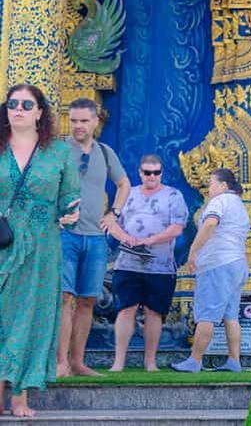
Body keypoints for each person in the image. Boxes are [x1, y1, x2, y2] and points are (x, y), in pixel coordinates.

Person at [0, 84, 80, 417]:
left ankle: (19, 396)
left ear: (39, 112)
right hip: (3, 243)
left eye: (25, 104)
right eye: (12, 104)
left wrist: (71, 212)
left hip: (42, 247)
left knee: (30, 318)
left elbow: (69, 194)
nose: (18, 109)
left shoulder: (58, 152)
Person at [57, 98, 131, 378]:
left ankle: (78, 362)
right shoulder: (58, 150)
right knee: (64, 297)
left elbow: (124, 184)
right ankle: (61, 363)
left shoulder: (105, 152)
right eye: (73, 120)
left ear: (95, 121)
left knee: (88, 300)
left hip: (96, 237)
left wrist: (114, 213)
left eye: (83, 121)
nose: (78, 126)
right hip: (65, 235)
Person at [104, 154, 188, 372]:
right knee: (125, 309)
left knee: (154, 312)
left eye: (156, 172)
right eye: (148, 172)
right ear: (140, 173)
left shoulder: (173, 195)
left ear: (161, 173)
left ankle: (150, 362)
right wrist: (126, 238)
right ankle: (118, 362)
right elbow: (111, 221)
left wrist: (150, 240)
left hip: (160, 265)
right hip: (127, 263)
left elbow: (177, 227)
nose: (152, 176)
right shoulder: (127, 194)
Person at [171, 168, 250, 373]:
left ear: (223, 185)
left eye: (211, 183)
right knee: (231, 315)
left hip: (217, 264)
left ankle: (195, 360)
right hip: (238, 263)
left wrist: (193, 251)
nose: (209, 187)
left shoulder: (219, 201)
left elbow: (210, 224)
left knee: (207, 313)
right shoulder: (239, 204)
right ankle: (234, 360)